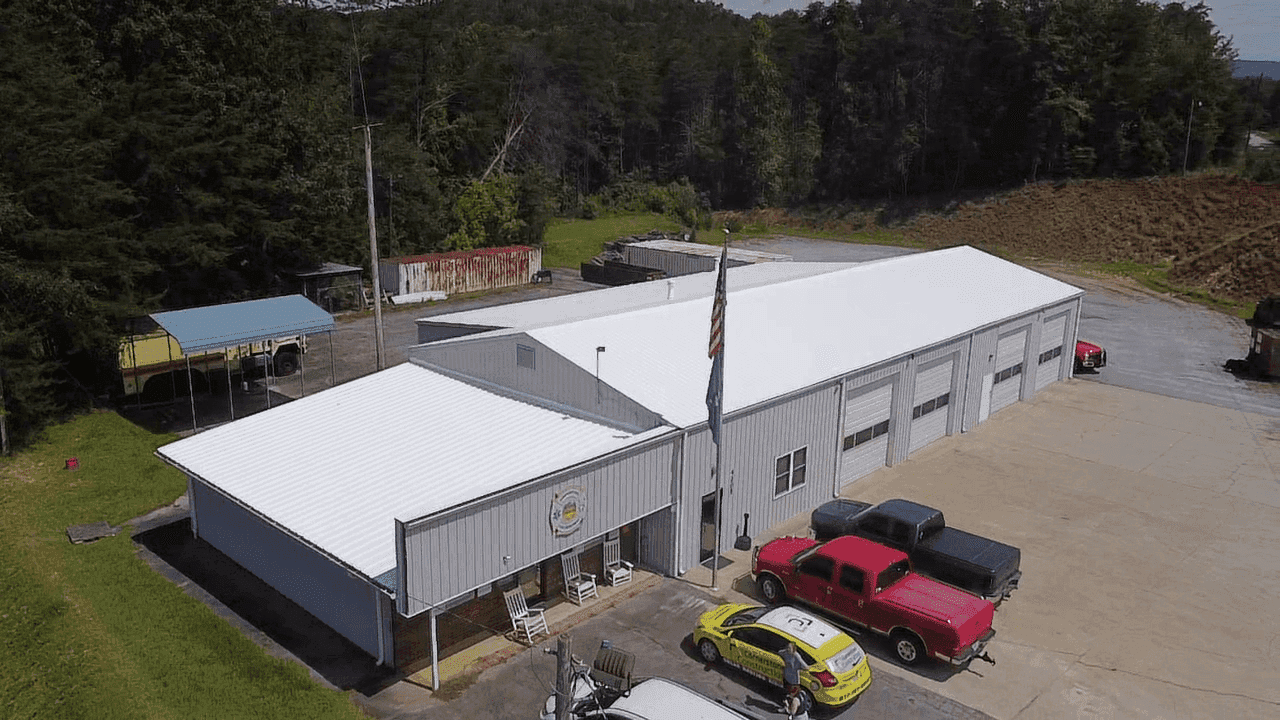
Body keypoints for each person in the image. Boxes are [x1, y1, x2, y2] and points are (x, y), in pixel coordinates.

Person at [778, 642, 808, 717]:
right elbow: (779, 652)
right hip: (786, 677)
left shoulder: (796, 656)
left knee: (793, 696)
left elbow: (805, 666)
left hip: (794, 681)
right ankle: (785, 707)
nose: (788, 649)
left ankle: (792, 710)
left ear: (794, 649)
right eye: (787, 647)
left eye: (789, 648)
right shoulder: (785, 653)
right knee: (786, 694)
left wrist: (798, 668)